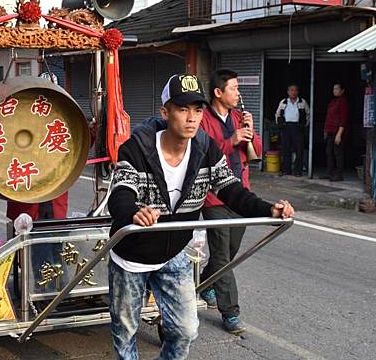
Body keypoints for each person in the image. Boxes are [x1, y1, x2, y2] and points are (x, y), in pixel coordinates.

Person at [107, 74, 294, 360]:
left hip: (173, 253)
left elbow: (232, 190)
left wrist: (269, 210)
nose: (192, 118)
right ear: (165, 112)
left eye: (197, 110)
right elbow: (120, 194)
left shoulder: (206, 149)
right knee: (126, 333)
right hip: (132, 257)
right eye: (183, 109)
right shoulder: (136, 149)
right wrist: (133, 212)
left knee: (185, 331)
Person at [197, 69, 263, 335]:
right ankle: (231, 313)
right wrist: (230, 141)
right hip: (213, 197)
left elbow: (257, 152)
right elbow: (202, 153)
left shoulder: (238, 117)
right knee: (223, 256)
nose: (238, 93)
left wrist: (250, 130)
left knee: (230, 251)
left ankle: (204, 283)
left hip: (240, 193)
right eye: (233, 88)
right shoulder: (202, 120)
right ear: (218, 93)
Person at [275, 84, 310, 177]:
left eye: (295, 90)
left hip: (298, 128)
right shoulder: (284, 102)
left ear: (297, 92)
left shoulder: (302, 102)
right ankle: (287, 170)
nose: (293, 92)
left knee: (299, 150)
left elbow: (308, 114)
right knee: (286, 150)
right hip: (286, 128)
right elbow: (277, 114)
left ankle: (297, 171)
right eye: (291, 90)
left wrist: (304, 125)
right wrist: (280, 125)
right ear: (288, 92)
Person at [323, 83, 349, 181]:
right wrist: (325, 130)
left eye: (337, 89)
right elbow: (328, 117)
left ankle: (339, 175)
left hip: (338, 131)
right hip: (330, 130)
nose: (335, 91)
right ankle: (329, 173)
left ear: (342, 91)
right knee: (329, 152)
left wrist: (339, 133)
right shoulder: (333, 101)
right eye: (334, 89)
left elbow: (343, 119)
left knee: (338, 153)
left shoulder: (343, 102)